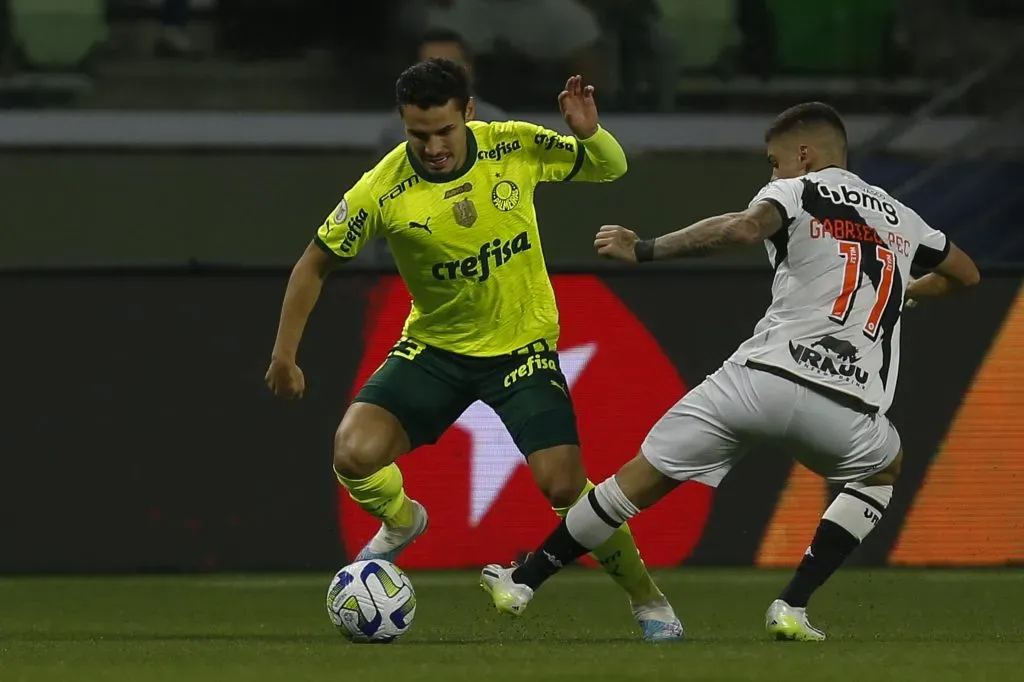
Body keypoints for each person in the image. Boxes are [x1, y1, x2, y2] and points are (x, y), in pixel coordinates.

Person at [479, 102, 981, 641]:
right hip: (848, 408)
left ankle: (525, 581)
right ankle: (792, 604)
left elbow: (744, 228)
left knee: (633, 484)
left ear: (804, 156)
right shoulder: (904, 218)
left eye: (774, 161)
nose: (772, 173)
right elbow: (967, 275)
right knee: (885, 468)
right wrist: (904, 297)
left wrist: (644, 248)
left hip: (759, 381)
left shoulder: (799, 190)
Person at [265, 58, 683, 643]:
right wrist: (285, 355)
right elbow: (315, 261)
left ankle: (649, 599)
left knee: (565, 487)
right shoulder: (383, 189)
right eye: (418, 134)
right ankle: (403, 519)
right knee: (352, 452)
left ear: (468, 112)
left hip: (522, 350)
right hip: (436, 351)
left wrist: (588, 134)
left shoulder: (512, 145)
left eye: (443, 130)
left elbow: (608, 168)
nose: (433, 146)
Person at [376, 29, 507, 158]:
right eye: (430, 67)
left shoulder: (496, 126)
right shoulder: (395, 131)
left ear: (469, 67)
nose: (440, 76)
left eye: (450, 65)